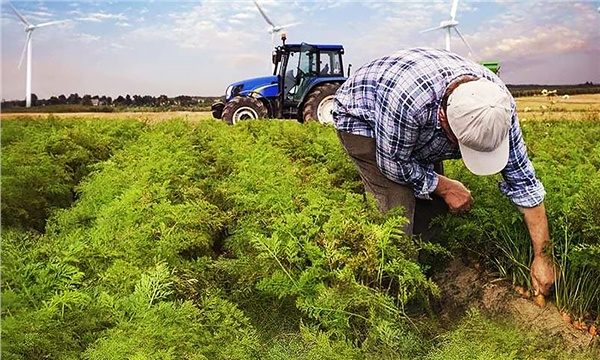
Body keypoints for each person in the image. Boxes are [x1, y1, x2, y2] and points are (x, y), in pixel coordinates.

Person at [332, 47, 554, 297]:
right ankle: (398, 293)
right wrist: (446, 186)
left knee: (433, 208)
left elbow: (524, 182)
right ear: (443, 119)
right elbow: (393, 164)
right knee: (397, 212)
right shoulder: (408, 103)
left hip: (414, 122)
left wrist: (542, 255)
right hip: (364, 119)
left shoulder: (497, 106)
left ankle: (430, 275)